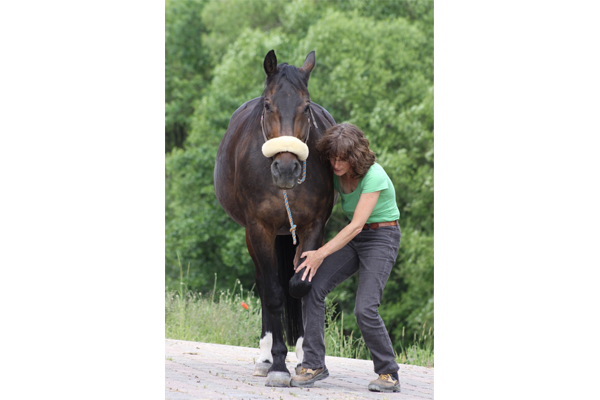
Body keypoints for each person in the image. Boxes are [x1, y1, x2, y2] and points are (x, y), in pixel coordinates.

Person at [290, 123, 402, 393]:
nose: (336, 163)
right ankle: (314, 364)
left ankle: (389, 373)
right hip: (355, 238)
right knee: (312, 286)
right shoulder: (336, 174)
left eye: (342, 158)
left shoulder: (374, 176)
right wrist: (303, 248)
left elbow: (355, 225)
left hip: (381, 237)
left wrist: (319, 254)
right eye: (332, 157)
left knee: (364, 309)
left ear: (356, 156)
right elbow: (319, 211)